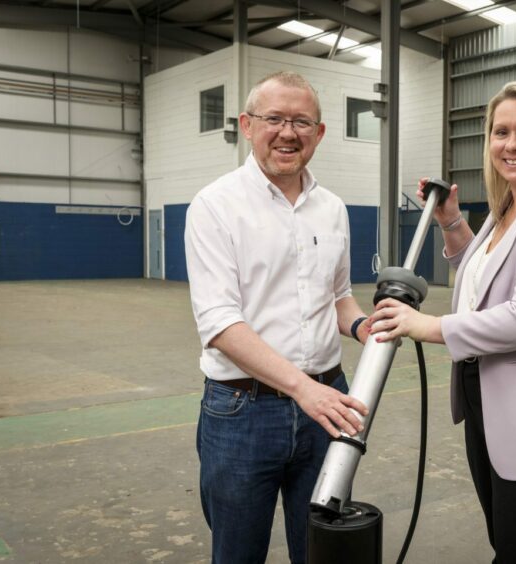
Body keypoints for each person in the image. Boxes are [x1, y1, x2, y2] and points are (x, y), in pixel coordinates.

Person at [369, 80, 516, 563]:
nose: (511, 144)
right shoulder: (510, 207)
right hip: (488, 399)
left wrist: (427, 326)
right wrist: (453, 222)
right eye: (501, 132)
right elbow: (486, 283)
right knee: (507, 541)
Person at [184, 71, 371, 564]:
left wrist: (361, 326)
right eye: (274, 119)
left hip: (327, 403)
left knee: (321, 549)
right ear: (247, 125)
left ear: (320, 133)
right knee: (238, 552)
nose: (288, 132)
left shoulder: (332, 209)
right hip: (243, 412)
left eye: (301, 122)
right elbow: (221, 324)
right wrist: (301, 389)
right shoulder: (215, 206)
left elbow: (339, 297)